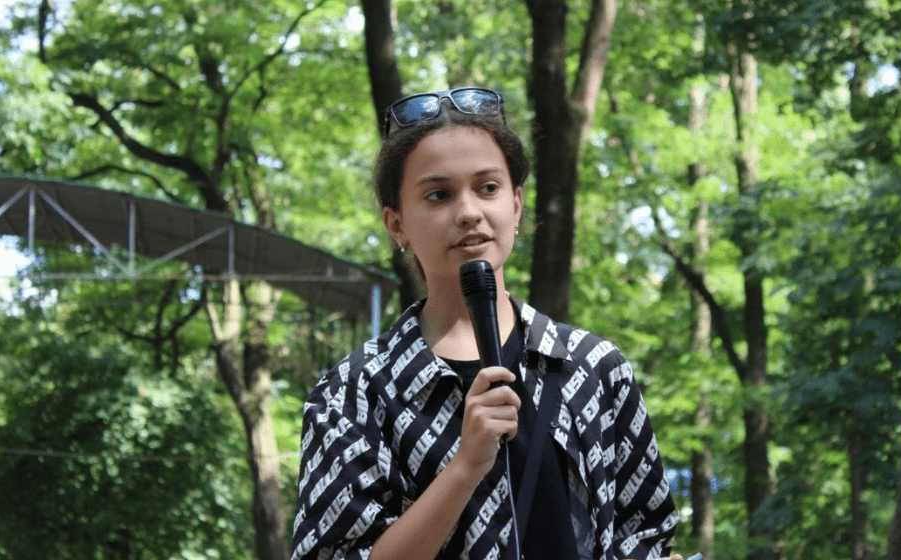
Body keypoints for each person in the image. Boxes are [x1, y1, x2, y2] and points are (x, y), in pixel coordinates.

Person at [291, 87, 686, 560]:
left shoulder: (594, 370)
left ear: (516, 204)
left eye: (488, 188)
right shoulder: (355, 393)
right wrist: (465, 466)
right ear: (397, 225)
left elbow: (646, 534)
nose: (469, 213)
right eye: (438, 195)